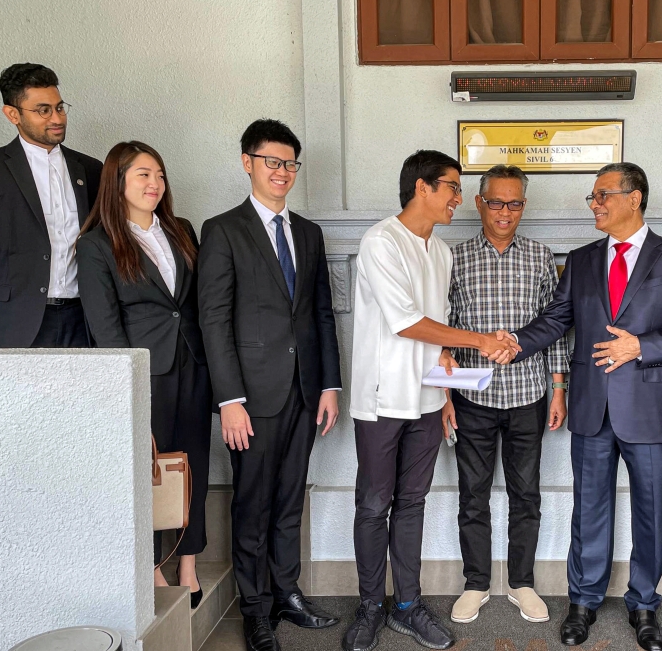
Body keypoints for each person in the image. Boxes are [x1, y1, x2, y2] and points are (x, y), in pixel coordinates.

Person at [500, 162, 662, 651]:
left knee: (650, 511)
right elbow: (556, 319)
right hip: (592, 407)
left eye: (603, 195)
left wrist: (640, 346)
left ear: (634, 197)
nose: (594, 204)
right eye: (592, 197)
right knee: (589, 509)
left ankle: (644, 604)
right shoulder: (580, 260)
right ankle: (583, 601)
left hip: (649, 409)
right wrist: (514, 342)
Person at [342, 150, 519, 651]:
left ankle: (407, 605)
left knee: (413, 504)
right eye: (452, 189)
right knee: (375, 505)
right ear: (422, 188)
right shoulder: (381, 241)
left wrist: (443, 395)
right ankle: (370, 606)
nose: (458, 200)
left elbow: (434, 335)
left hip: (424, 400)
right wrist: (482, 340)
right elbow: (405, 323)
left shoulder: (439, 251)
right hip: (381, 400)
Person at [198, 119, 342, 651]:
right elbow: (213, 319)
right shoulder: (223, 229)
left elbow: (322, 313)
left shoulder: (307, 231)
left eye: (289, 164)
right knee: (252, 504)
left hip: (305, 391)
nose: (282, 172)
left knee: (288, 500)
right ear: (247, 163)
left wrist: (330, 385)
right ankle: (254, 608)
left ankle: (287, 594)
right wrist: (229, 399)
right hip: (251, 397)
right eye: (271, 162)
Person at [77, 141, 210, 607]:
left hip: (192, 364)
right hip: (143, 372)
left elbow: (193, 305)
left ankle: (188, 562)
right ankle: (153, 568)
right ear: (118, 183)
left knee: (192, 464)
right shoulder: (96, 245)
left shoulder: (181, 230)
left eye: (159, 175)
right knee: (150, 470)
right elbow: (104, 321)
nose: (155, 184)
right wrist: (123, 383)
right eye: (143, 175)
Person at [443, 165, 570, 626]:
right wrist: (443, 397)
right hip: (472, 399)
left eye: (514, 203)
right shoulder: (453, 258)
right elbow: (443, 332)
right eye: (496, 201)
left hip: (528, 396)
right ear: (479, 203)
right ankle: (476, 583)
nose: (504, 211)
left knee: (526, 495)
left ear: (524, 206)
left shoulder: (540, 256)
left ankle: (521, 583)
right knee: (472, 496)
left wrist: (558, 391)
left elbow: (555, 328)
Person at [0, 63, 102, 348]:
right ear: (12, 114)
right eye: (43, 110)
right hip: (13, 321)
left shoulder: (89, 169)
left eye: (60, 107)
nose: (57, 118)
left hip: (83, 319)